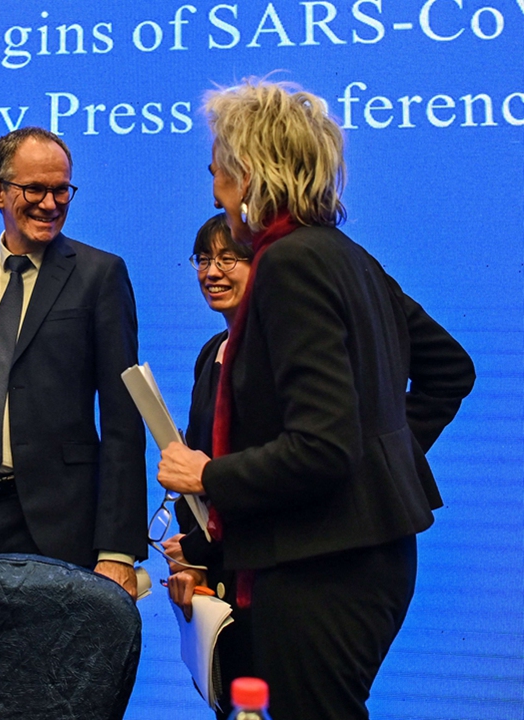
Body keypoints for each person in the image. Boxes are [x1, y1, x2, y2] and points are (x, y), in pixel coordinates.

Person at [156, 79, 476, 720]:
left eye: (219, 160)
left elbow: (322, 446)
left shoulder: (291, 264)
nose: (212, 173)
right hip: (358, 556)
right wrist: (378, 466)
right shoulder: (345, 255)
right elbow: (450, 368)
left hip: (321, 564)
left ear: (248, 171)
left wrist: (208, 474)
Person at [0, 126, 147, 596]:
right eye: (34, 189)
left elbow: (123, 419)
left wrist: (117, 551)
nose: (50, 203)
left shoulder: (100, 275)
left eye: (62, 190)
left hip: (58, 526)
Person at [156, 214, 254, 719]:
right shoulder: (210, 352)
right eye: (204, 259)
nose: (212, 272)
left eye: (228, 259)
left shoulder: (270, 356)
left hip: (265, 574)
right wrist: (189, 557)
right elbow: (198, 471)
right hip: (215, 577)